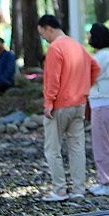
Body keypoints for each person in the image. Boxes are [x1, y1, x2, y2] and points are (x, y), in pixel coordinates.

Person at [37, 15, 98, 201]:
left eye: (43, 34)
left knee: (52, 149)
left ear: (48, 28)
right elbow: (95, 67)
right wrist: (84, 89)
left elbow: (52, 79)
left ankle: (60, 189)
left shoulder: (55, 48)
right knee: (77, 148)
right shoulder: (77, 46)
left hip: (60, 105)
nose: (44, 38)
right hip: (79, 104)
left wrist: (48, 102)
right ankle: (79, 189)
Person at [86, 23, 109, 196]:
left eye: (90, 34)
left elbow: (85, 77)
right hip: (101, 105)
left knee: (103, 145)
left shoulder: (102, 57)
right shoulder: (102, 56)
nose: (88, 37)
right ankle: (105, 180)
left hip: (102, 105)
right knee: (103, 144)